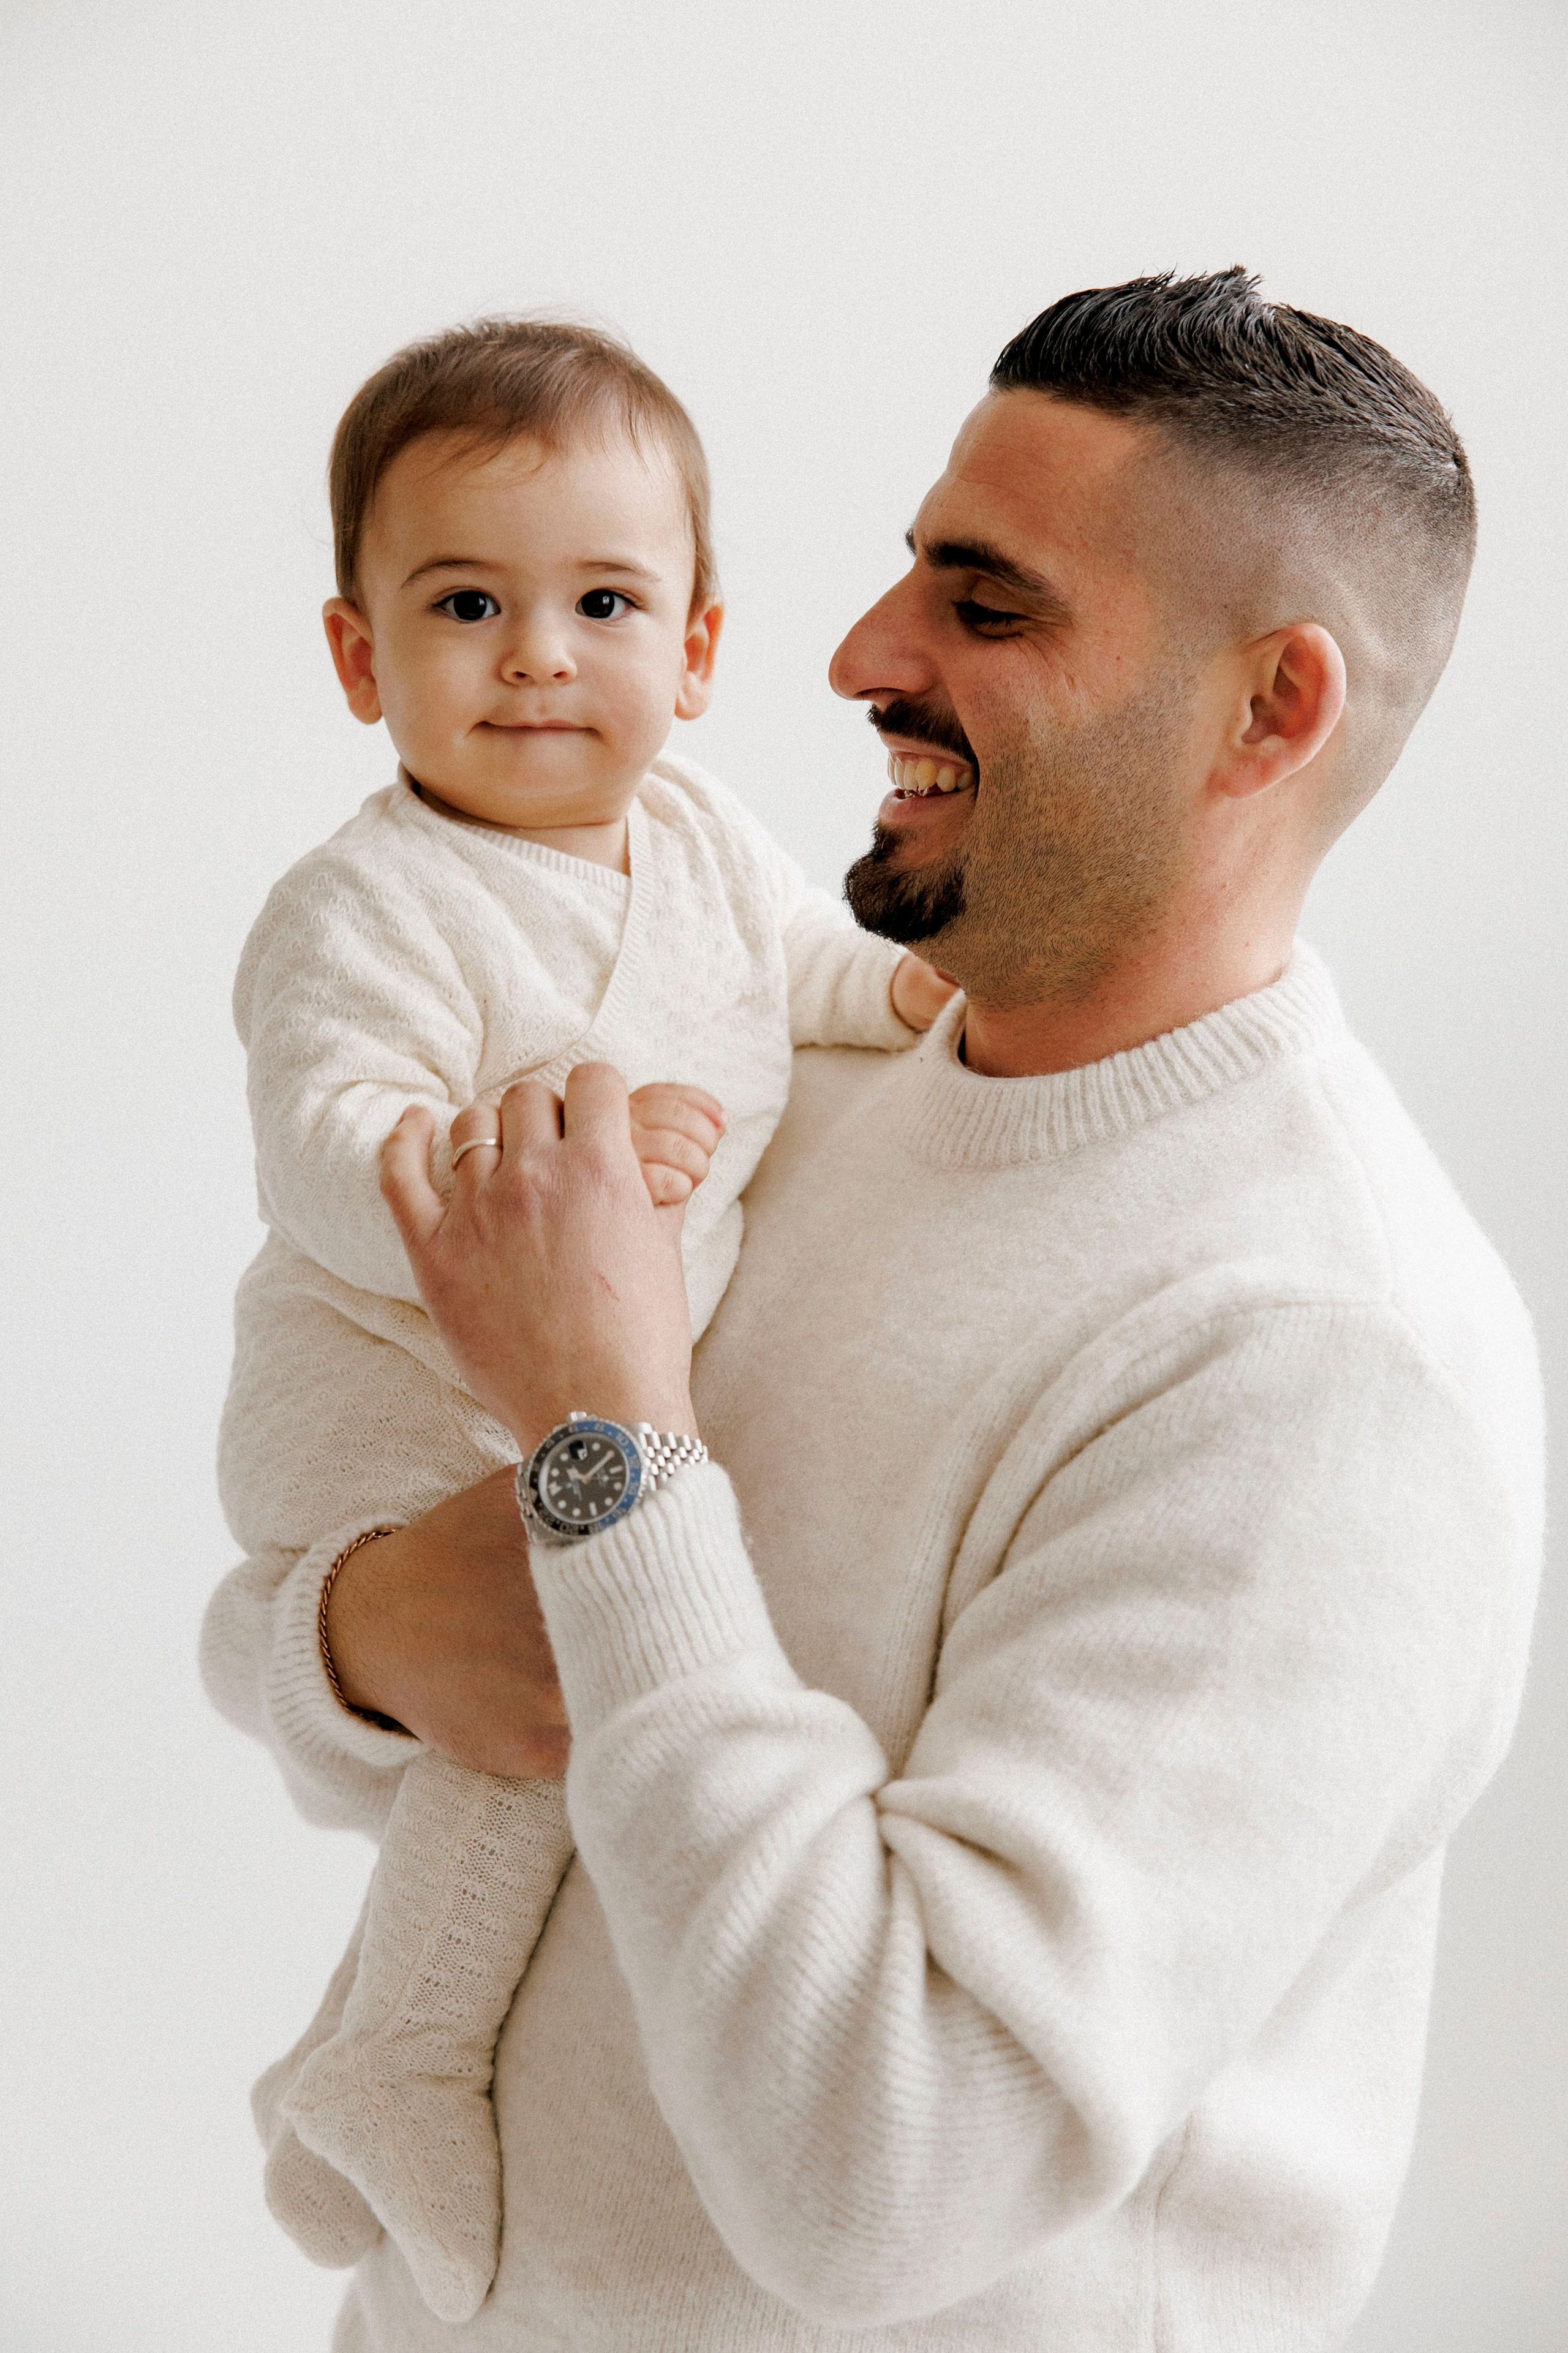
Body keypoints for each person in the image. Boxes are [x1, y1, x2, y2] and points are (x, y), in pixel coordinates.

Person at [203, 271, 1544, 2351]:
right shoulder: (777, 1090)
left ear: (1272, 708)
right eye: (914, 565)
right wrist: (355, 1635)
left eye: (986, 605)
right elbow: (475, 1653)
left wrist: (608, 1434)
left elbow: (880, 2168)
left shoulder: (1319, 1366)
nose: (855, 653)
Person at [212, 317, 953, 2325]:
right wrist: (549, 1168)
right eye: (466, 601)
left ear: (697, 649)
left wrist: (896, 1000)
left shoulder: (704, 838)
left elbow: (802, 963)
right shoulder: (365, 907)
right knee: (531, 1726)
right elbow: (322, 1140)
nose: (539, 653)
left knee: (598, 1703)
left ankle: (393, 2051)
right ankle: (399, 2053)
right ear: (362, 656)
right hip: (390, 1391)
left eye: (601, 600)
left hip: (568, 1397)